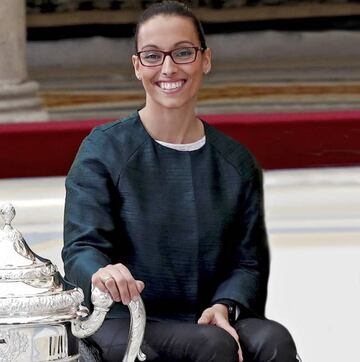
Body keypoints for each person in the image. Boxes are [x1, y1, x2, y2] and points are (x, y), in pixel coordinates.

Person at [62, 1, 300, 361]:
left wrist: (224, 305)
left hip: (204, 314)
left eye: (183, 52)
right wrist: (103, 274)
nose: (169, 68)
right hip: (123, 318)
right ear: (137, 66)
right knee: (213, 346)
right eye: (153, 56)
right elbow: (81, 248)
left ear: (205, 59)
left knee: (274, 340)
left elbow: (247, 262)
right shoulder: (104, 149)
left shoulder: (236, 162)